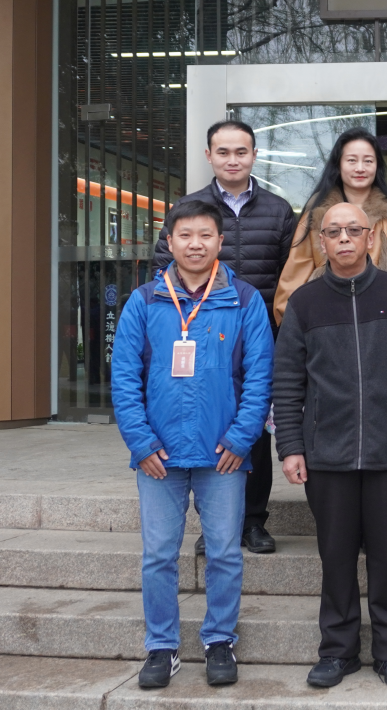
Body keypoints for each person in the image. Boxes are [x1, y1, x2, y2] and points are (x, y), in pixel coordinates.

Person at [272, 202, 387, 690]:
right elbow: (287, 381)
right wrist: (290, 446)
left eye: (353, 230)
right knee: (336, 557)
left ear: (371, 238)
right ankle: (337, 650)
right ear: (321, 242)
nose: (344, 238)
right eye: (334, 232)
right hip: (327, 454)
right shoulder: (305, 303)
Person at [112, 199, 274, 691]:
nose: (196, 244)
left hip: (222, 454)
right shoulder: (144, 301)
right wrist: (141, 443)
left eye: (206, 235)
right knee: (158, 555)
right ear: (170, 242)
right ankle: (161, 646)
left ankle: (220, 640)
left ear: (220, 242)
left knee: (224, 552)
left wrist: (242, 438)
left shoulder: (244, 300)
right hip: (158, 456)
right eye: (186, 235)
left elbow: (260, 377)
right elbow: (124, 378)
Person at [152, 119, 296, 557]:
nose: (232, 160)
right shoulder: (189, 207)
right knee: (206, 423)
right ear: (209, 156)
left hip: (259, 334)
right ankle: (214, 523)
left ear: (254, 155)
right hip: (200, 333)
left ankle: (253, 521)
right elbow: (162, 269)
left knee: (255, 428)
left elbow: (291, 275)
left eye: (241, 151)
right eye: (223, 152)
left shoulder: (278, 210)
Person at [274, 127, 387, 324]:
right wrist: (296, 328)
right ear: (338, 164)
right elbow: (293, 279)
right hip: (326, 319)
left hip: (382, 318)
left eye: (368, 161)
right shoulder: (316, 216)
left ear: (377, 166)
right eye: (351, 160)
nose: (360, 168)